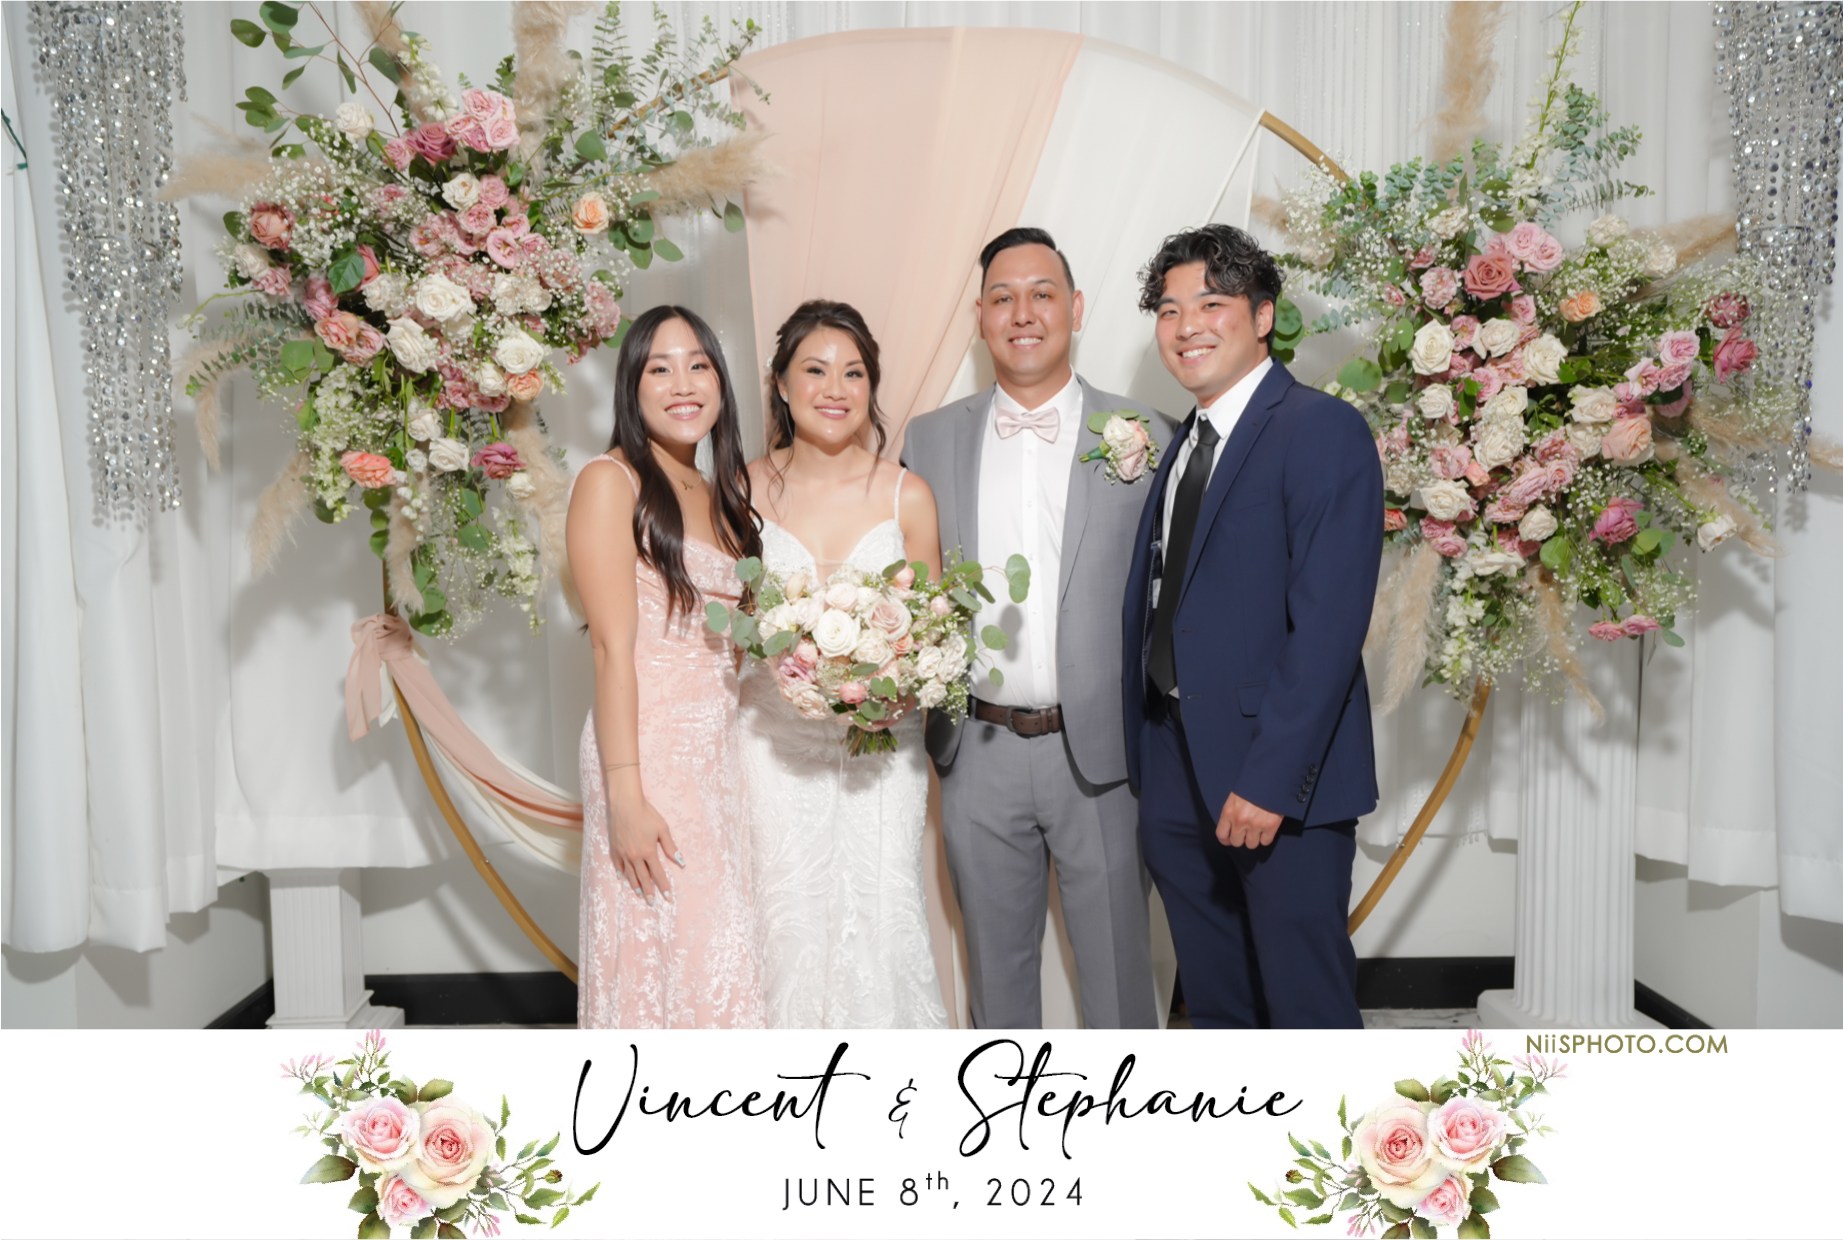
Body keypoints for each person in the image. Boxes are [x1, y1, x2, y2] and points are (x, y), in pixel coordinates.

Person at [902, 228, 1173, 1029]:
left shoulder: (1149, 433)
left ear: (1075, 309)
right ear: (980, 318)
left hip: (1104, 758)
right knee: (994, 982)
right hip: (975, 750)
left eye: (1042, 294)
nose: (1022, 313)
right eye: (1002, 297)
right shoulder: (928, 439)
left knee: (1120, 982)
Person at [1121, 225, 1382, 1029]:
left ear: (1262, 316)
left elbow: (1329, 627)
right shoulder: (1184, 440)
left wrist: (1269, 781)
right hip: (1173, 762)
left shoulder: (1319, 429)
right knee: (1214, 999)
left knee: (1304, 1003)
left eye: (1210, 304)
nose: (1186, 326)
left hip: (1274, 776)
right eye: (1169, 310)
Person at [739, 299, 950, 1029]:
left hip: (882, 753)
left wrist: (890, 691)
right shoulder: (740, 490)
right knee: (782, 920)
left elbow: (930, 636)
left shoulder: (906, 494)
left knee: (882, 914)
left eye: (854, 373)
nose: (835, 389)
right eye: (815, 370)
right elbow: (726, 624)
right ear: (781, 384)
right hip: (769, 749)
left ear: (872, 387)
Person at [568, 304, 766, 1028]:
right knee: (661, 952)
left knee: (718, 953)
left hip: (717, 757)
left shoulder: (722, 495)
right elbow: (609, 647)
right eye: (660, 368)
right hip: (646, 756)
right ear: (632, 386)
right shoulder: (610, 481)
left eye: (698, 365)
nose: (683, 384)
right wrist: (624, 795)